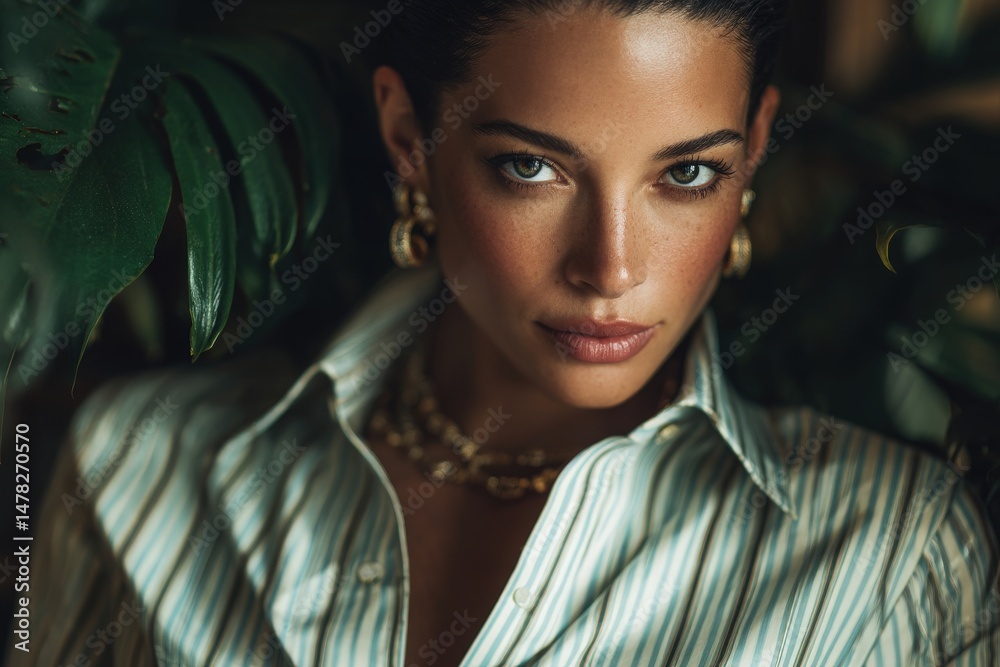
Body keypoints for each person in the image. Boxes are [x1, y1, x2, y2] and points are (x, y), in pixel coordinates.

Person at [10, 1, 1000, 665]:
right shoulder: (137, 469)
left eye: (686, 174)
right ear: (410, 140)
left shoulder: (886, 555)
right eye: (533, 169)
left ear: (751, 155)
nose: (609, 269)